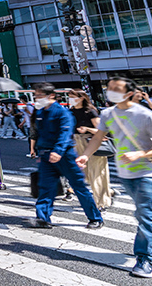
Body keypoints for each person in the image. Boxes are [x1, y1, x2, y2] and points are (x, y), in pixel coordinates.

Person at [77, 77, 152, 277]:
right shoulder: (107, 113)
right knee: (148, 212)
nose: (110, 91)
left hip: (146, 173)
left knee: (144, 214)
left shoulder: (145, 115)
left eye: (116, 89)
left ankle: (145, 259)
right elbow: (98, 137)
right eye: (109, 88)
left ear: (129, 93)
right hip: (125, 174)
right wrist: (85, 156)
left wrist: (140, 154)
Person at [26, 82, 103, 230]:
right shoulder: (40, 112)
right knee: (45, 187)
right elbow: (39, 133)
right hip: (47, 155)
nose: (37, 98)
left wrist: (58, 150)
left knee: (78, 186)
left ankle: (95, 218)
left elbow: (65, 133)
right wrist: (38, 151)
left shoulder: (63, 113)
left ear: (52, 96)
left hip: (64, 155)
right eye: (36, 96)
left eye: (40, 95)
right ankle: (42, 218)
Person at [68, 89, 113, 211]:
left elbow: (101, 131)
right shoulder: (70, 111)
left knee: (97, 173)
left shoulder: (90, 111)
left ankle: (101, 203)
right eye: (69, 96)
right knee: (83, 173)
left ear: (81, 97)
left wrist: (87, 129)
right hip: (75, 142)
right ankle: (107, 191)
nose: (70, 98)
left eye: (72, 96)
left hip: (91, 141)